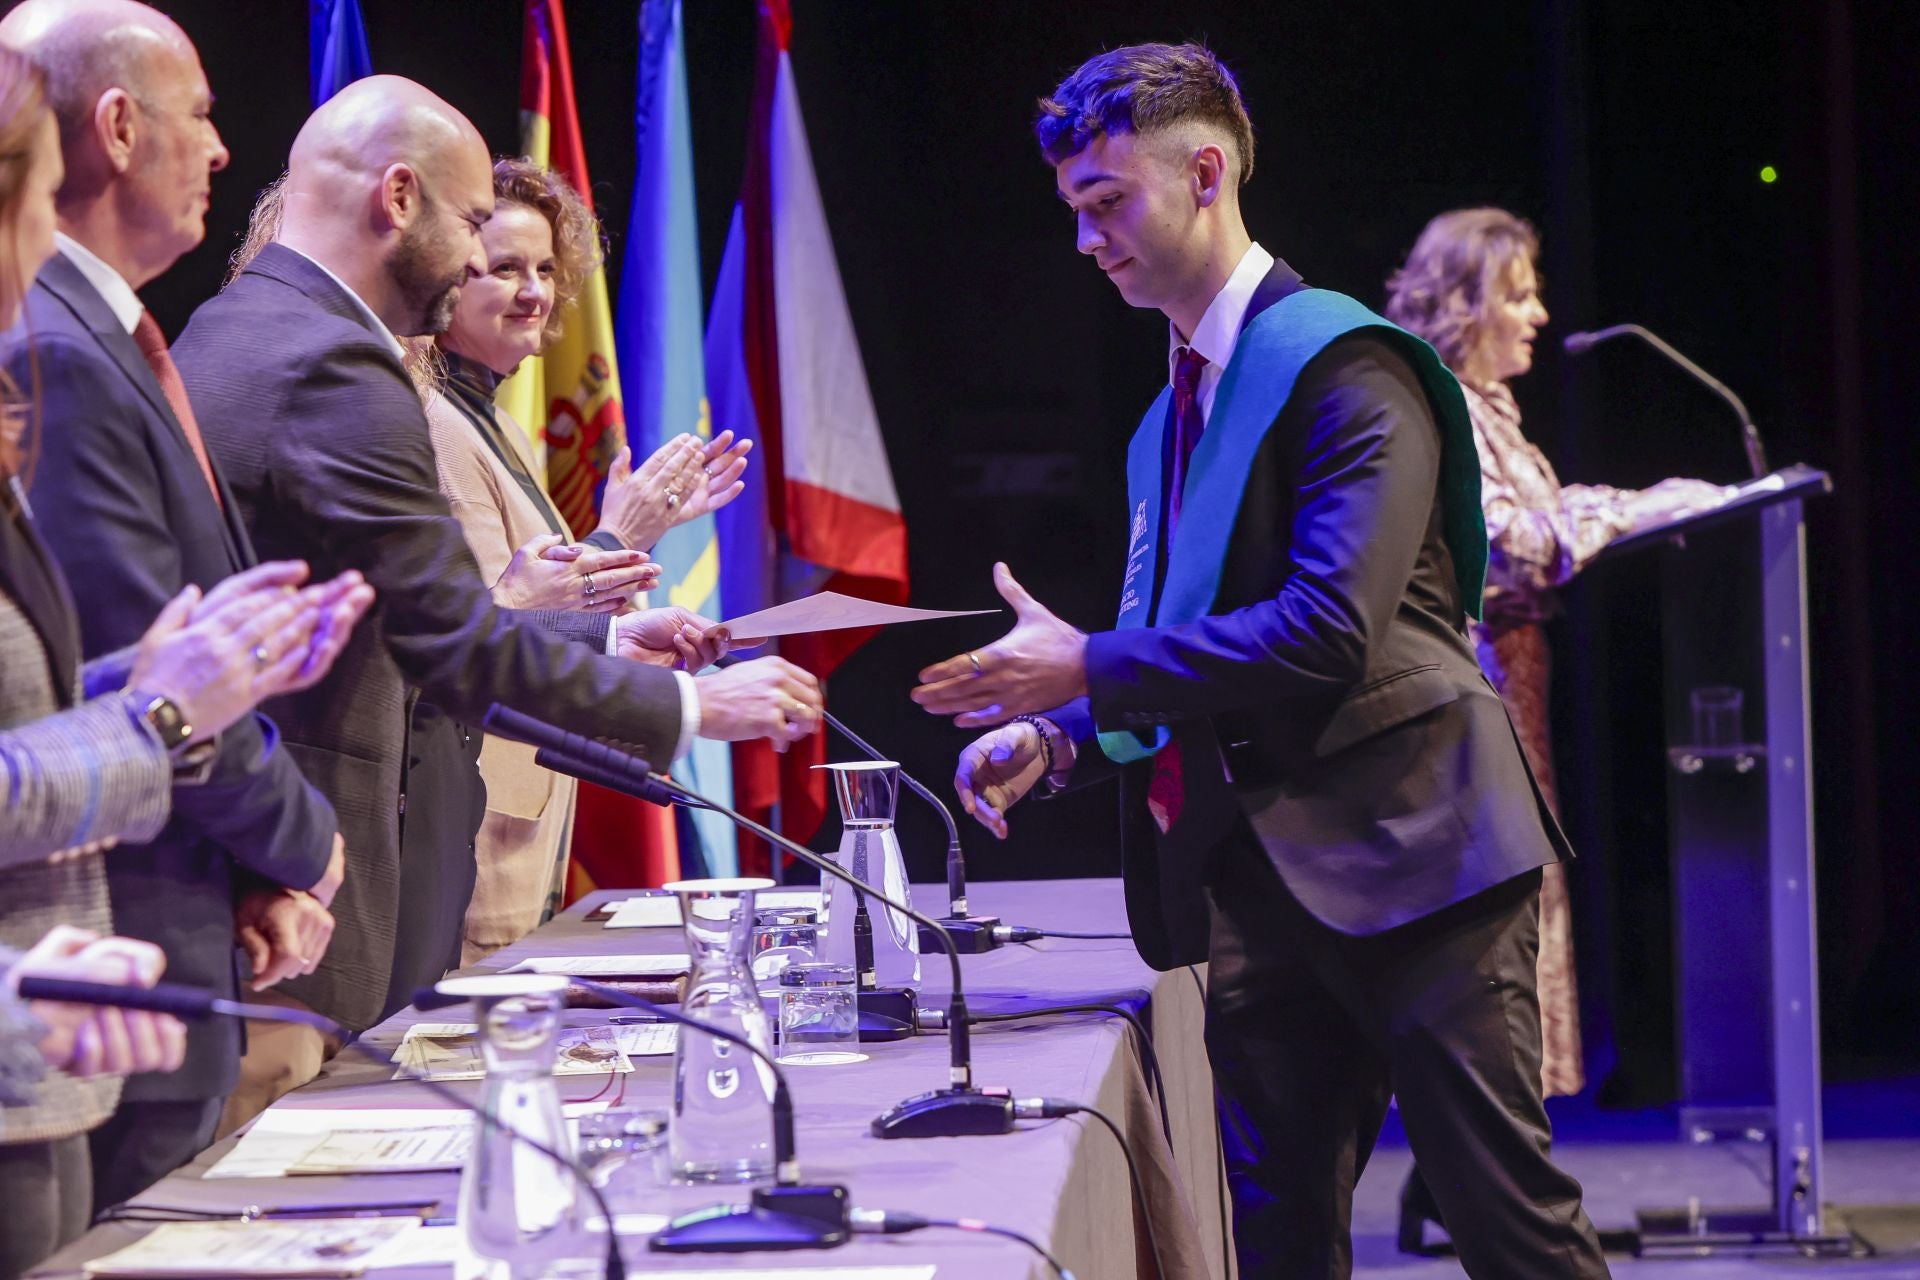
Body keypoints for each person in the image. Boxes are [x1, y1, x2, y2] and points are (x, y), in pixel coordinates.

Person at [913, 45, 1610, 1278]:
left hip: (1419, 859)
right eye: (1074, 211)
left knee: (1511, 1232)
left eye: (1106, 203)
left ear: (1205, 171)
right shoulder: (1166, 415)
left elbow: (1328, 628)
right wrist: (1065, 736)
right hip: (1264, 877)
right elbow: (1189, 648)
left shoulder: (1348, 366)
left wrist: (1086, 672)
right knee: (1278, 1237)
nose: (1088, 242)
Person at [169, 75, 823, 1093]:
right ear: (397, 198)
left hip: (283, 884)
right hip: (300, 890)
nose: (483, 262)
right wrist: (691, 703)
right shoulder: (337, 365)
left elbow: (404, 621)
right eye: (475, 225)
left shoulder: (230, 326)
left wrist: (606, 640)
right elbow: (455, 642)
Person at [0, 41, 368, 1274]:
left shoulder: (77, 340)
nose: (222, 147)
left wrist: (179, 689)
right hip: (73, 1003)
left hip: (86, 1004)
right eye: (21, 203)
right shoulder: (51, 346)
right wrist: (168, 721)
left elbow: (63, 688)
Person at [1381, 206, 1730, 1250]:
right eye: (1519, 292)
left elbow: (1543, 504)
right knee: (1494, 926)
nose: (1538, 314)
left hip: (1516, 699)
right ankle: (1480, 1181)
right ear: (1464, 302)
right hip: (1469, 699)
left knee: (1525, 916)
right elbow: (1506, 544)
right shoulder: (1435, 403)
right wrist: (1632, 512)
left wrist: (1638, 497)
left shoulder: (1491, 408)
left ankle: (1466, 1179)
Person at [421, 157, 750, 964]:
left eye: (544, 269)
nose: (535, 291)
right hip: (473, 837)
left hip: (516, 831)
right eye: (504, 269)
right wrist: (620, 540)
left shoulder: (485, 421)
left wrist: (628, 552)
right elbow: (483, 635)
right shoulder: (432, 424)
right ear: (445, 278)